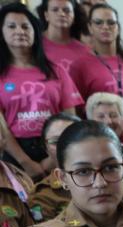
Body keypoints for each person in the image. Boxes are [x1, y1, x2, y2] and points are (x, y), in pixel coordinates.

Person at [0, 3, 82, 179]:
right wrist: (25, 162)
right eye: (11, 26)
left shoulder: (57, 71)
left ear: (35, 32)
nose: (19, 31)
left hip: (56, 148)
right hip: (15, 153)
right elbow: (2, 129)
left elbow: (69, 120)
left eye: (25, 26)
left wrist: (52, 159)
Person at [71, 3, 123, 154]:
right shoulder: (80, 65)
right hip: (100, 133)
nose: (105, 27)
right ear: (90, 27)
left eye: (111, 22)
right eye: (98, 23)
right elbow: (78, 110)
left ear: (118, 27)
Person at [86, 92, 123, 201]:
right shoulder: (85, 157)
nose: (108, 121)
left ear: (122, 119)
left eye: (113, 115)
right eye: (101, 116)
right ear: (91, 122)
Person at [28, 113, 79, 224]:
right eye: (55, 142)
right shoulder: (43, 195)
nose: (63, 147)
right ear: (45, 147)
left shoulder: (109, 176)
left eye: (71, 139)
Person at [37, 0, 89, 73]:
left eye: (66, 10)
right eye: (55, 10)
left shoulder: (85, 51)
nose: (61, 14)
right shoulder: (35, 44)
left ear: (74, 16)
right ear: (46, 15)